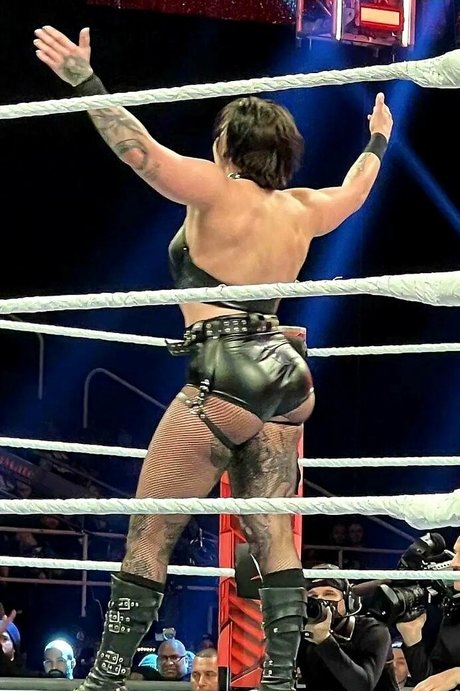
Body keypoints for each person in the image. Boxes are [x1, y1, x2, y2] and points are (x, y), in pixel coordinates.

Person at [33, 23, 393, 691]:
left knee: (151, 531)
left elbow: (139, 152)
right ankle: (280, 681)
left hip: (223, 369)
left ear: (229, 145)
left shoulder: (217, 187)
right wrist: (377, 137)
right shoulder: (302, 209)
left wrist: (85, 80)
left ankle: (104, 680)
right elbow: (357, 188)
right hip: (286, 373)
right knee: (272, 534)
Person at [297, 565, 399, 691]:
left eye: (329, 594)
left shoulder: (373, 630)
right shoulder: (301, 633)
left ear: (348, 601)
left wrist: (324, 640)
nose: (321, 601)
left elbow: (363, 686)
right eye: (313, 596)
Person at [396, 536, 460, 691]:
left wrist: (457, 675)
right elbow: (432, 682)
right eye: (456, 553)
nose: (454, 563)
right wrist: (413, 639)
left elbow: (451, 678)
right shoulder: (453, 608)